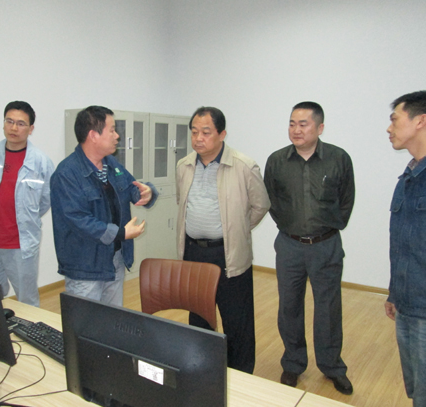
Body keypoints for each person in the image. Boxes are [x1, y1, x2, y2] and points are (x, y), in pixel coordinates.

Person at [264, 101, 355, 394]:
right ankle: (293, 363)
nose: (296, 129)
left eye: (303, 124)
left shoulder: (339, 159)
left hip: (326, 246)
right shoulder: (277, 161)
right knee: (289, 306)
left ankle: (332, 367)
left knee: (328, 308)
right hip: (289, 246)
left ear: (320, 127)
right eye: (292, 123)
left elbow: (346, 200)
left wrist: (328, 227)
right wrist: (291, 226)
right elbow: (271, 201)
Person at [176, 106, 270, 373]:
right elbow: (182, 203)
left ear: (222, 134)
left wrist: (235, 231)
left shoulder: (243, 166)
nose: (198, 138)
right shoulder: (183, 166)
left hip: (229, 255)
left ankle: (241, 375)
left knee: (237, 320)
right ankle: (202, 371)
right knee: (199, 316)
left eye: (206, 132)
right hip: (194, 253)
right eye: (194, 132)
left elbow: (261, 205)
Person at [51, 106, 158, 306]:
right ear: (93, 135)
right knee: (86, 322)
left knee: (112, 319)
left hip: (114, 259)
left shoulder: (112, 164)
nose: (117, 136)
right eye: (112, 130)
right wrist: (121, 233)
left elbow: (131, 187)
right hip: (85, 267)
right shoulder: (66, 173)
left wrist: (147, 192)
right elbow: (78, 219)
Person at [0, 101, 54, 307]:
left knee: (27, 301)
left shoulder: (41, 162)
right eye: (9, 121)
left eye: (20, 124)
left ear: (31, 129)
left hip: (21, 244)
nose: (13, 128)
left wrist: (25, 216)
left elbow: (46, 200)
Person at [385, 90, 426, 407]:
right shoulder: (408, 177)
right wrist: (394, 292)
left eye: (394, 119)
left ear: (420, 121)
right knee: (416, 389)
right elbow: (404, 244)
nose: (389, 128)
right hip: (407, 303)